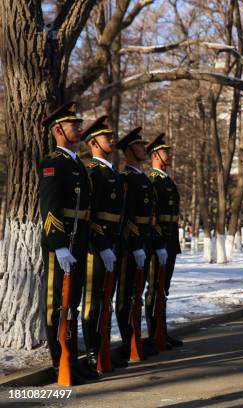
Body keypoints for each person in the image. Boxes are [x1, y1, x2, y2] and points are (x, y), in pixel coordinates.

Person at [39, 101, 94, 383]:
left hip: (79, 240)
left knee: (72, 303)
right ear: (59, 129)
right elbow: (49, 208)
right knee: (56, 303)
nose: (80, 129)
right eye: (75, 125)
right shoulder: (53, 163)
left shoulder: (77, 164)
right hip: (62, 244)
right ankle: (60, 360)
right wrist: (59, 244)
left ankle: (71, 358)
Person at [81, 116, 125, 373]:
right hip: (96, 246)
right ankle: (91, 352)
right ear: (94, 142)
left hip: (114, 242)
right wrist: (101, 243)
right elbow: (91, 213)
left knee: (107, 297)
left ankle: (104, 349)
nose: (112, 140)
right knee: (93, 300)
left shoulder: (112, 173)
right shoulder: (92, 172)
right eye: (107, 137)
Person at [114, 127, 160, 363]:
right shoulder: (126, 179)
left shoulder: (143, 177)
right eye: (140, 146)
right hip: (131, 244)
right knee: (126, 295)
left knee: (138, 294)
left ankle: (136, 340)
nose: (144, 149)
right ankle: (126, 342)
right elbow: (125, 216)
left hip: (146, 240)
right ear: (129, 151)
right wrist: (135, 244)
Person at [145, 133, 183, 350]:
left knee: (163, 289)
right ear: (155, 155)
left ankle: (162, 331)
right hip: (159, 242)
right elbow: (153, 218)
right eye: (165, 151)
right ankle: (153, 334)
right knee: (154, 288)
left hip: (170, 241)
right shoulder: (153, 180)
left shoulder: (167, 180)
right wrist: (159, 243)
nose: (169, 154)